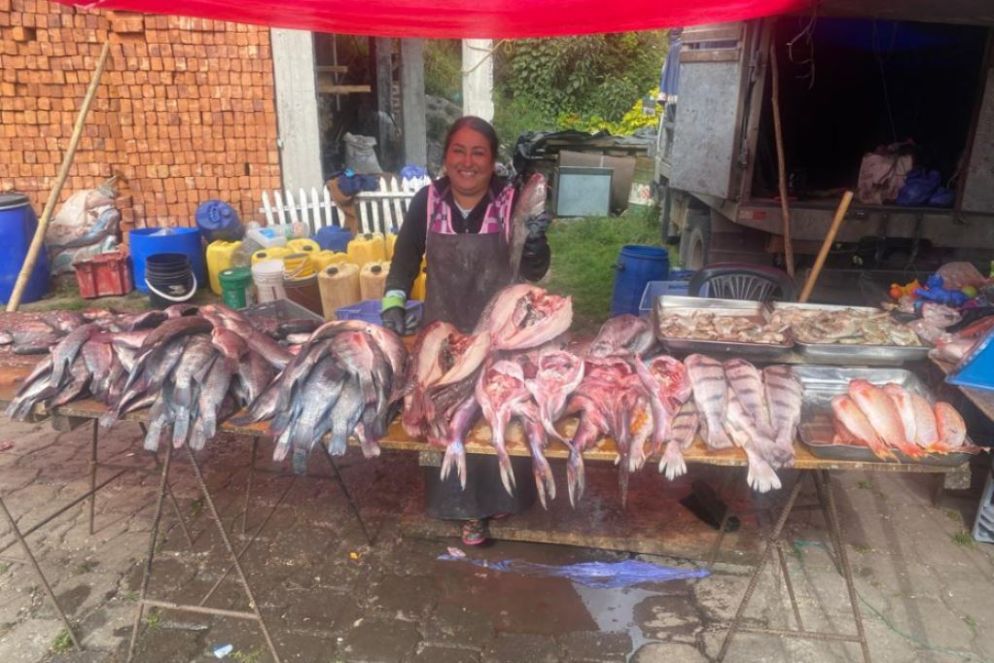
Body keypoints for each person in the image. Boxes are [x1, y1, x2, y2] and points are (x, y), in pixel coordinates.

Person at [381, 116, 551, 545]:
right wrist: (393, 307)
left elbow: (535, 270)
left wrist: (534, 242)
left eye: (479, 152)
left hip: (501, 332)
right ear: (445, 157)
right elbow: (403, 260)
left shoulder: (511, 201)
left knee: (497, 413)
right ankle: (462, 509)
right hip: (445, 331)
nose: (468, 161)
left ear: (493, 162)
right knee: (446, 415)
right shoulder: (427, 201)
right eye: (459, 150)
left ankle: (503, 499)